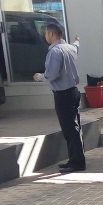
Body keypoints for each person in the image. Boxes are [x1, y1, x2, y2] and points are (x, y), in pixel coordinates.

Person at [33, 23, 85, 173]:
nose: (45, 36)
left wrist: (39, 77)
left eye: (46, 33)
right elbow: (77, 46)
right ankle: (74, 159)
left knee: (70, 130)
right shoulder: (70, 48)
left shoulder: (55, 52)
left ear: (51, 34)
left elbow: (52, 74)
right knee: (75, 128)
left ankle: (77, 163)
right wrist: (77, 40)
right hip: (73, 92)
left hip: (63, 95)